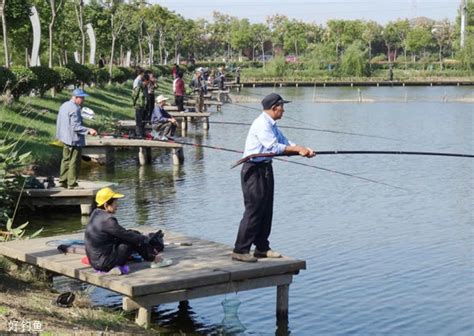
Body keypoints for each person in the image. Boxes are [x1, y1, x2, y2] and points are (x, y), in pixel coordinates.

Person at [232, 93, 316, 262]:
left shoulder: (272, 125)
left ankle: (261, 248)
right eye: (282, 107)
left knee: (266, 210)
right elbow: (273, 147)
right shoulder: (262, 124)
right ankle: (240, 250)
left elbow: (284, 142)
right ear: (274, 108)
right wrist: (297, 150)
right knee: (254, 210)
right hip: (253, 170)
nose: (283, 110)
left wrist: (302, 149)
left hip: (265, 169)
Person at [85, 187, 164, 273]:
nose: (117, 205)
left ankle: (151, 255)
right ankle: (155, 259)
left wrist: (139, 237)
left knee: (133, 234)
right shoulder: (108, 220)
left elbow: (122, 233)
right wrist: (145, 239)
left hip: (95, 261)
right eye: (115, 203)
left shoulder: (95, 214)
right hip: (104, 264)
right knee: (131, 240)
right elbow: (127, 236)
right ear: (106, 205)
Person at [56, 88, 97, 189]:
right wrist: (89, 130)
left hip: (64, 138)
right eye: (82, 98)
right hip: (73, 140)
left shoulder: (64, 105)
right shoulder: (75, 109)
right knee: (74, 162)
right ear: (75, 97)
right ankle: (72, 184)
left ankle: (63, 182)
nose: (83, 100)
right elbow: (75, 127)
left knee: (65, 160)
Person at [132, 73, 150, 138]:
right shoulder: (138, 87)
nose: (148, 83)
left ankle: (142, 133)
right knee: (138, 121)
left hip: (144, 106)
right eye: (148, 81)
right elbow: (134, 96)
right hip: (139, 105)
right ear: (145, 80)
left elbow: (146, 96)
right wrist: (135, 104)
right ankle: (138, 134)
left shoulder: (145, 87)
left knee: (144, 120)